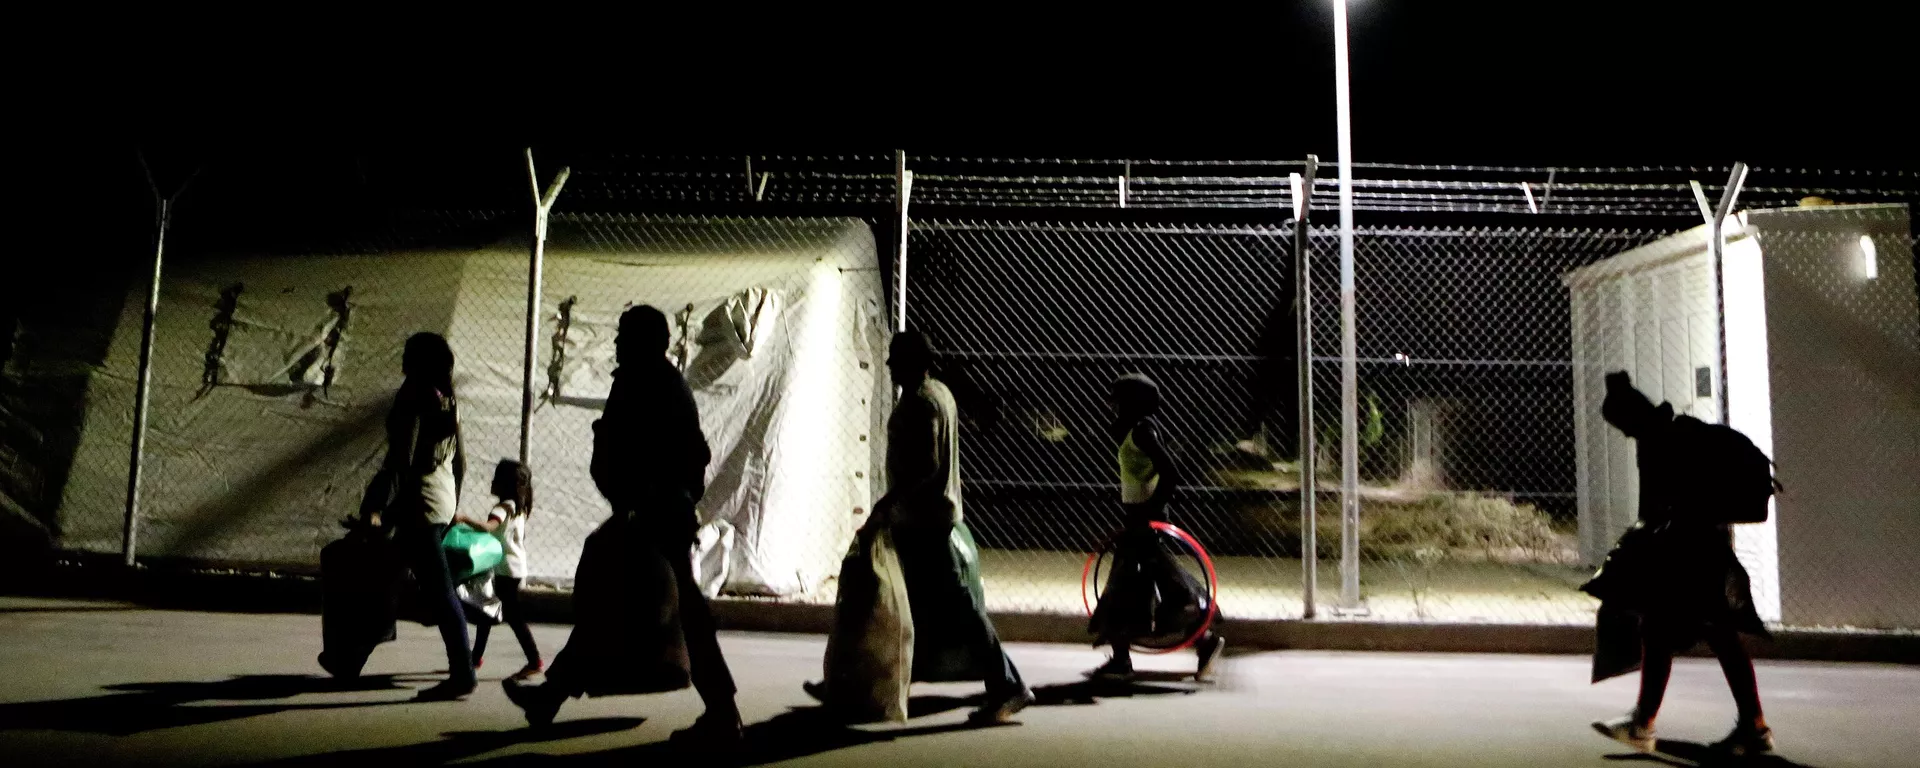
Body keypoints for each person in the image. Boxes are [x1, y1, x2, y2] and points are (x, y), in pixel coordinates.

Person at [504, 305, 742, 746]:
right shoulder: (658, 383)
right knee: (624, 604)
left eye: (624, 337)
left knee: (672, 610)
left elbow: (677, 455)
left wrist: (648, 498)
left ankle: (724, 713)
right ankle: (551, 697)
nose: (616, 345)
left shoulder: (652, 385)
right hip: (651, 512)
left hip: (652, 515)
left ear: (643, 342)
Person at [807, 330, 1034, 723]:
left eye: (896, 359)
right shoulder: (940, 393)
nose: (891, 366)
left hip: (925, 521)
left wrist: (887, 503)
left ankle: (1008, 685)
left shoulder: (921, 403)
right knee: (914, 607)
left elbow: (927, 466)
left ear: (914, 362)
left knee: (952, 606)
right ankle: (862, 682)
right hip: (927, 519)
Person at [1584, 371, 1773, 757]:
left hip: (1684, 555)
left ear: (1629, 420)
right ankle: (1753, 727)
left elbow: (1656, 511)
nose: (1623, 434)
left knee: (1657, 632)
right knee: (1721, 637)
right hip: (1709, 549)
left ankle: (1643, 725)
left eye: (1621, 426)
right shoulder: (1682, 431)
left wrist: (1635, 552)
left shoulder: (1655, 443)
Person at [1085, 373, 1225, 682]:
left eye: (1119, 403)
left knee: (1136, 585)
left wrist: (1149, 515)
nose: (1115, 408)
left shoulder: (1143, 432)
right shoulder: (1136, 430)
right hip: (1137, 518)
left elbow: (1170, 473)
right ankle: (1127, 656)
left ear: (1133, 404)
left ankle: (1202, 640)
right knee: (1137, 586)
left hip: (1144, 520)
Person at [365, 332, 473, 701]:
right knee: (388, 576)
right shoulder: (448, 398)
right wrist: (453, 501)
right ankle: (348, 655)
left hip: (418, 501)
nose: (402, 360)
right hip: (440, 495)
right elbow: (461, 460)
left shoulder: (413, 393)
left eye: (408, 354)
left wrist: (381, 507)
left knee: (440, 591)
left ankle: (462, 673)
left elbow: (401, 459)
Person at [453, 459, 543, 682]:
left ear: (505, 484)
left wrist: (463, 519)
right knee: (488, 611)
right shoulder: (519, 507)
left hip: (505, 570)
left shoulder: (503, 508)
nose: (491, 481)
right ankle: (475, 658)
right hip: (513, 568)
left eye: (496, 478)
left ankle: (534, 661)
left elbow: (489, 527)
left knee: (510, 616)